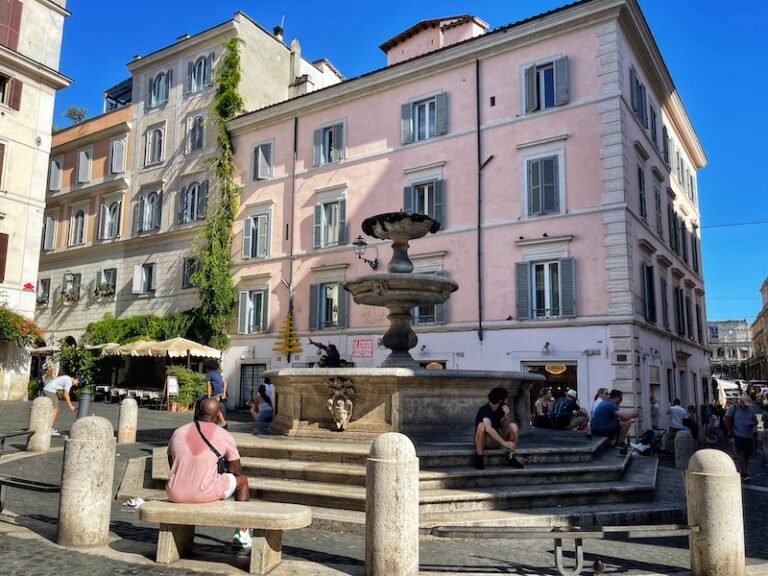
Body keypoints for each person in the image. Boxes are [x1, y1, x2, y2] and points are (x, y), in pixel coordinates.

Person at [166, 398, 253, 548]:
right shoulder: (223, 435)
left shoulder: (179, 432)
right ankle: (242, 533)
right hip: (204, 491)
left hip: (174, 491)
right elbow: (236, 470)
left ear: (197, 411)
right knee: (243, 481)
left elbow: (171, 460)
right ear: (218, 414)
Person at [473, 387, 524, 470]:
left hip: (497, 439)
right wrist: (505, 443)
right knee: (481, 426)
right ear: (501, 400)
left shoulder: (503, 408)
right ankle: (479, 458)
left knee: (513, 426)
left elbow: (505, 427)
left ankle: (510, 456)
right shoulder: (484, 410)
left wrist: (506, 415)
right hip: (485, 441)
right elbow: (488, 429)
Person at [724, 394, 758, 482]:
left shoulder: (750, 410)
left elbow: (756, 420)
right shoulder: (733, 409)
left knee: (747, 454)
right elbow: (727, 419)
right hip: (737, 434)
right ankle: (744, 472)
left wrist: (753, 424)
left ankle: (744, 471)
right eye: (745, 404)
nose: (746, 406)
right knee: (741, 452)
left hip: (748, 435)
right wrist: (729, 430)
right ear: (741, 402)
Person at [203, 358, 228, 428]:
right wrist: (224, 393)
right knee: (221, 408)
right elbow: (225, 382)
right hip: (222, 393)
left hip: (216, 393)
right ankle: (220, 421)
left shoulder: (208, 374)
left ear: (207, 367)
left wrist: (208, 397)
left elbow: (208, 386)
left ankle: (223, 422)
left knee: (213, 408)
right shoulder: (217, 373)